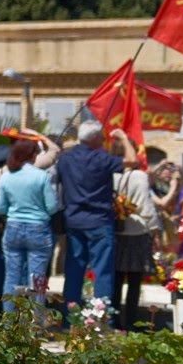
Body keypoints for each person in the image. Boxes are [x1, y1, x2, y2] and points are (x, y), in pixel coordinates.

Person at [55, 124, 134, 310]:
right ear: (94, 139)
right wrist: (122, 137)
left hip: (73, 220)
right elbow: (132, 160)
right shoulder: (102, 159)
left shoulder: (65, 159)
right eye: (101, 137)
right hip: (99, 220)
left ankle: (70, 318)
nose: (104, 141)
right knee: (102, 272)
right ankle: (101, 319)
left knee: (73, 271)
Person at [0, 139, 57, 320]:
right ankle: (35, 322)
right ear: (33, 155)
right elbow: (52, 207)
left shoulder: (6, 176)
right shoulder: (41, 176)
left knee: (11, 276)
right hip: (38, 228)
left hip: (13, 227)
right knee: (37, 277)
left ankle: (9, 321)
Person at [111, 159, 158, 330]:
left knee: (116, 279)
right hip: (137, 230)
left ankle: (114, 319)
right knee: (134, 281)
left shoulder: (114, 173)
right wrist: (154, 228)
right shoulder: (139, 175)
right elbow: (145, 203)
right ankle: (131, 321)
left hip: (117, 228)